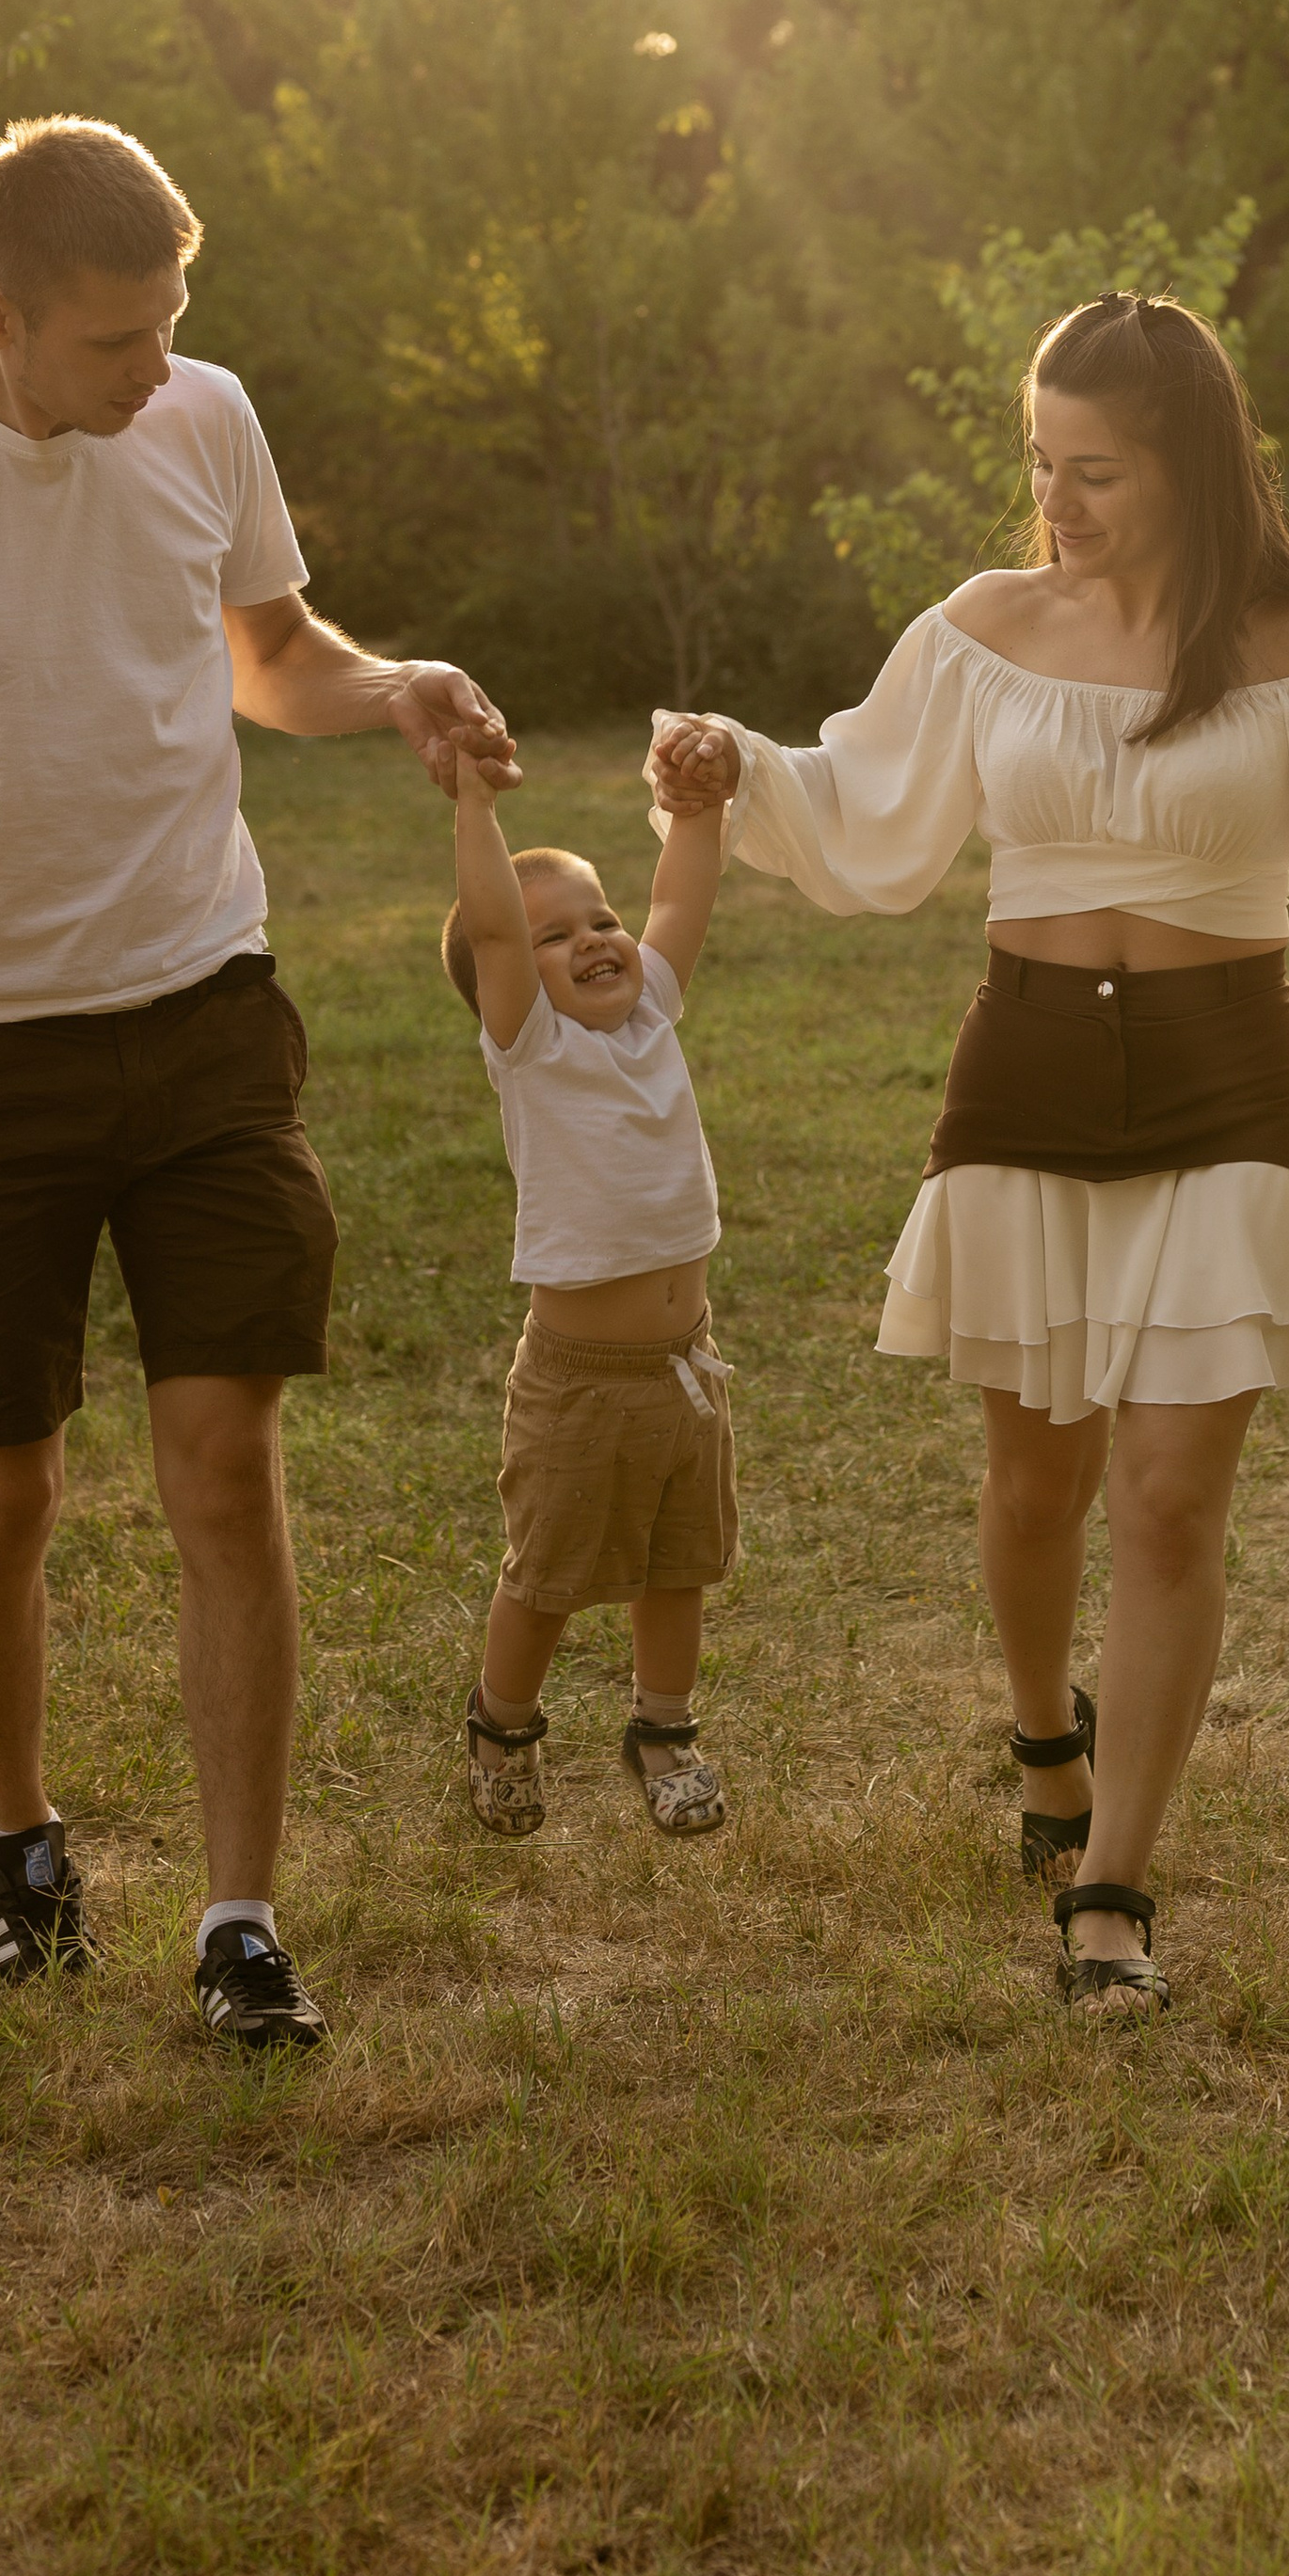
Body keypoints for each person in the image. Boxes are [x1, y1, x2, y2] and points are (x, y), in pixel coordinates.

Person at [650, 293, 1289, 2022]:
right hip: (1028, 1075)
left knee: (1168, 1498)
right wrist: (732, 768)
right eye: (1042, 463)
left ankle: (1114, 1887)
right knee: (1035, 1486)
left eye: (1098, 471)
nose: (1056, 503)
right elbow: (860, 803)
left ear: (1192, 465)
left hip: (1232, 1091)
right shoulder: (988, 628)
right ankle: (1044, 1742)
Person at [0, 115, 516, 2052]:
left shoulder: (203, 416)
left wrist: (394, 683)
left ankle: (240, 1919)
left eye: (170, 323)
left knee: (224, 1456)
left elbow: (271, 653)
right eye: (113, 338)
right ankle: (18, 1845)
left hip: (205, 1009)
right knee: (6, 1483)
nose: (156, 367)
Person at [440, 744, 737, 1843]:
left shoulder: (651, 1009)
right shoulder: (531, 1045)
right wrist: (475, 801)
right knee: (550, 1573)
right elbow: (491, 928)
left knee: (677, 1563)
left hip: (684, 1363)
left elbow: (681, 896)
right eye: (554, 935)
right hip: (579, 1381)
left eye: (600, 918)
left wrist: (694, 807)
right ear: (511, 979)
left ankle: (663, 1729)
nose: (595, 939)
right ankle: (503, 1721)